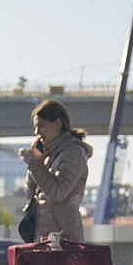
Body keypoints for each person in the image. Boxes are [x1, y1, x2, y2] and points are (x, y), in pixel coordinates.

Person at [20, 99, 93, 241]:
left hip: (64, 238)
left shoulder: (74, 153)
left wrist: (34, 164)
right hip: (42, 236)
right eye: (35, 127)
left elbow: (58, 193)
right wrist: (36, 161)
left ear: (58, 123)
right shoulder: (48, 155)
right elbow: (30, 193)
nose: (37, 132)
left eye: (41, 126)